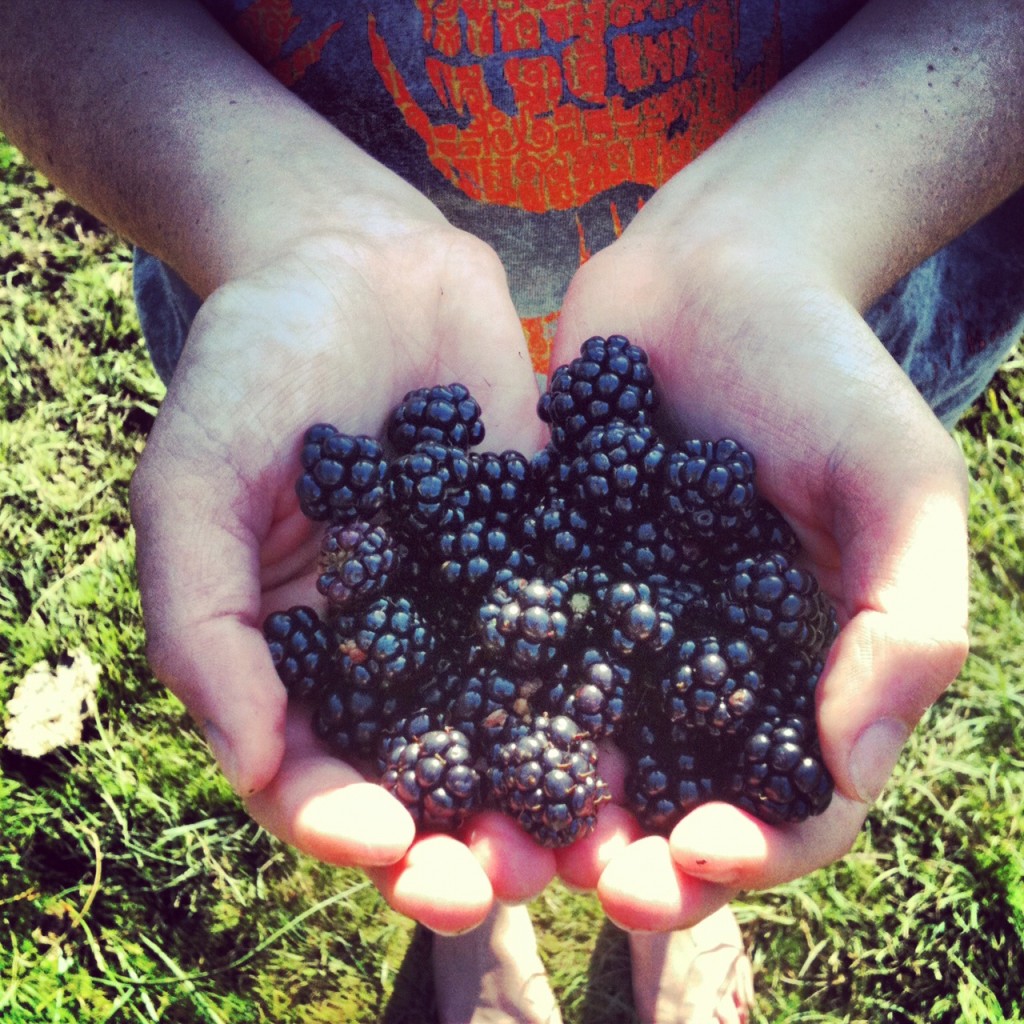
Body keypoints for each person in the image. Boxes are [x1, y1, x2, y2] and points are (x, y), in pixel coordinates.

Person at [1, 2, 1021, 1021]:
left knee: (678, 818)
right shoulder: (448, 539)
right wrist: (281, 224)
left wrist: (784, 238)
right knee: (457, 829)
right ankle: (478, 895)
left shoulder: (659, 522)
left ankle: (658, 855)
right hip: (314, 292)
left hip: (821, 301)